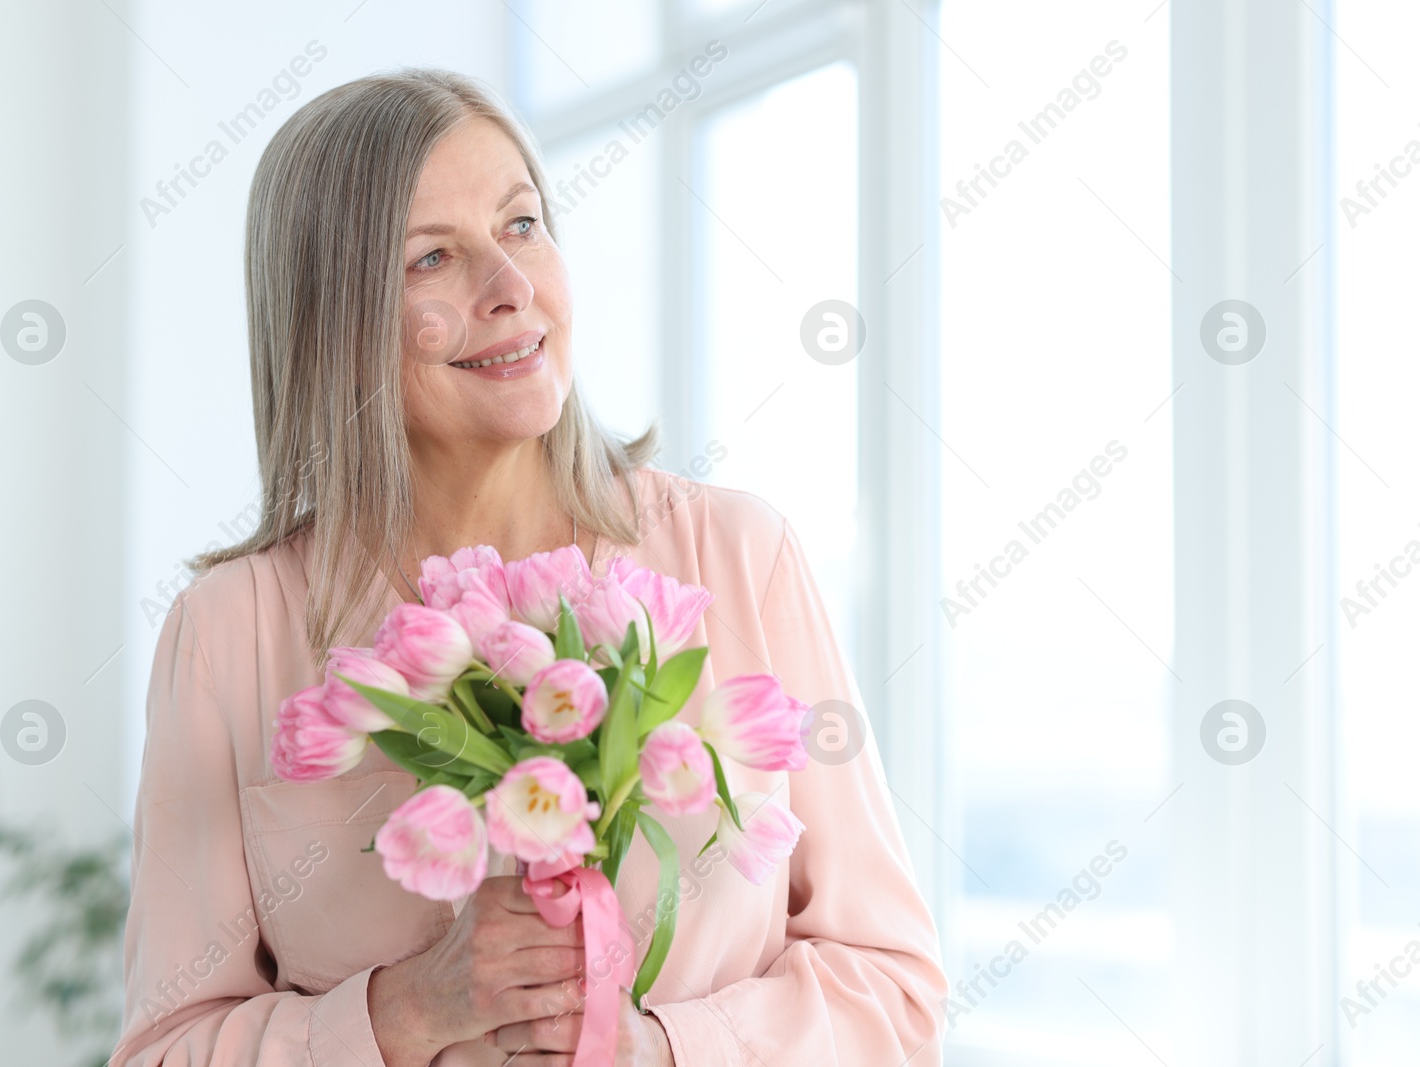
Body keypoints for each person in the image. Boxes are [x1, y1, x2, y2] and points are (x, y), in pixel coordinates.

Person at [110, 67, 947, 1067]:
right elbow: (164, 1046)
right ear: (335, 321)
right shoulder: (227, 631)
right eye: (431, 258)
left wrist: (666, 1050)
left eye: (521, 224)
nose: (511, 290)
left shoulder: (737, 556)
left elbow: (893, 994)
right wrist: (394, 1019)